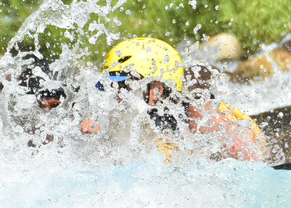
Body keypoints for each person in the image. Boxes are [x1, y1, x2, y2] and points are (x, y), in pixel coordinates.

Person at [81, 37, 273, 162]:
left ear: (155, 90)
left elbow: (253, 162)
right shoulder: (131, 117)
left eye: (123, 85)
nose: (116, 94)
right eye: (113, 85)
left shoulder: (203, 116)